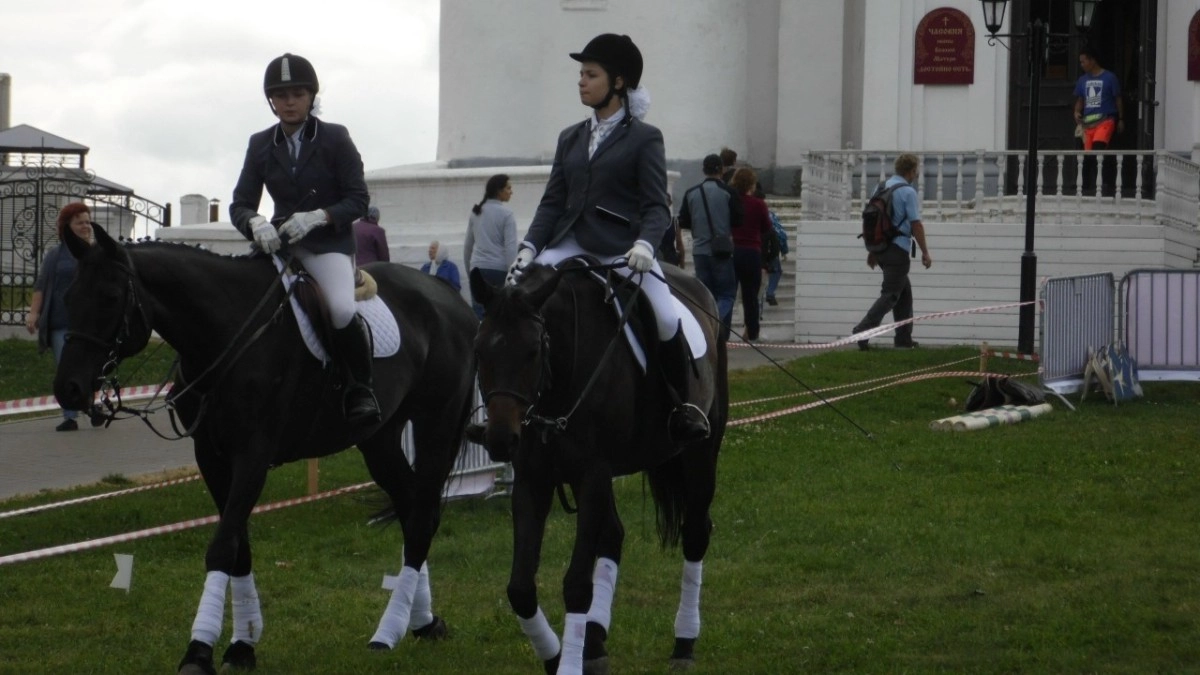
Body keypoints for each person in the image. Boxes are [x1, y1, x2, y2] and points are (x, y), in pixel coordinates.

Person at [505, 32, 710, 442]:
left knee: (667, 317)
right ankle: (501, 408)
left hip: (622, 248)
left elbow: (656, 206)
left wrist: (646, 245)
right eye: (580, 73)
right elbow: (552, 203)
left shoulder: (645, 138)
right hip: (569, 241)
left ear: (617, 82)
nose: (581, 81)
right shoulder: (570, 137)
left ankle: (681, 406)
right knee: (513, 303)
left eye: (590, 74)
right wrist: (529, 247)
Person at [229, 53, 377, 426]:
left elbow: (358, 199)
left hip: (327, 244)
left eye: (296, 94)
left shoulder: (335, 137)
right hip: (279, 243)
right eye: (280, 95)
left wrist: (319, 217)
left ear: (311, 97)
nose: (289, 102)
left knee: (342, 309)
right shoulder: (260, 143)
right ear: (271, 101)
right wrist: (254, 223)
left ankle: (361, 388)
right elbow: (240, 203)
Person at [26, 203, 98, 431]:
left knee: (92, 367)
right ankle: (70, 416)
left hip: (89, 324)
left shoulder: (97, 253)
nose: (85, 226)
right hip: (61, 323)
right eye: (80, 222)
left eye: (87, 222)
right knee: (65, 369)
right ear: (67, 227)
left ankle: (93, 407)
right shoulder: (55, 255)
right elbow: (41, 286)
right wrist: (34, 313)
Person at [852, 153, 932, 350]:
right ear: (911, 171)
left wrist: (872, 250)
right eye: (916, 170)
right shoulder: (908, 192)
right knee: (890, 295)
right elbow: (916, 225)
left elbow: (872, 221)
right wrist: (925, 252)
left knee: (904, 294)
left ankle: (904, 339)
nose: (917, 174)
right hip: (897, 249)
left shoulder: (880, 187)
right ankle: (862, 331)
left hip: (881, 249)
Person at [678, 153, 741, 341]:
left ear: (703, 170)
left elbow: (684, 220)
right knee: (727, 295)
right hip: (721, 250)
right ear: (721, 170)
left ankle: (704, 328)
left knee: (705, 294)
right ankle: (715, 325)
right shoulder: (728, 192)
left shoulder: (691, 193)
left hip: (699, 250)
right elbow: (738, 219)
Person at [464, 174, 517, 318]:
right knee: (500, 316)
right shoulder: (507, 214)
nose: (511, 192)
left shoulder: (476, 213)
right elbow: (511, 249)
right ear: (499, 191)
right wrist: (512, 277)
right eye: (508, 188)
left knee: (480, 317)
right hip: (499, 271)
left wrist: (470, 272)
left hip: (478, 269)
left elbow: (468, 247)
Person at [729, 168, 773, 342]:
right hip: (752, 252)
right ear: (751, 184)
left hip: (733, 250)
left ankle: (722, 328)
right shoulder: (758, 204)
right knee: (750, 296)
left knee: (728, 293)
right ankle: (752, 332)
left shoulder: (730, 202)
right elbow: (767, 228)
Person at [1073, 48, 1124, 196]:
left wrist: (1121, 118)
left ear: (1092, 60)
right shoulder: (1082, 80)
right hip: (1088, 123)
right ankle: (1085, 186)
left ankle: (1105, 184)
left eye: (1084, 61)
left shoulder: (1110, 78)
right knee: (1087, 155)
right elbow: (1080, 100)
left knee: (1099, 149)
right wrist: (1077, 112)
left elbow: (1118, 99)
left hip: (1106, 120)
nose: (1082, 64)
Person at [761, 205, 788, 308]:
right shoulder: (771, 216)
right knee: (776, 271)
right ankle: (770, 292)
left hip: (755, 249)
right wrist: (784, 251)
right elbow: (781, 234)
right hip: (771, 250)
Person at [657, 193, 685, 268]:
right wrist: (682, 266)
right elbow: (679, 244)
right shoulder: (675, 221)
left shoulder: (652, 221)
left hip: (656, 258)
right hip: (671, 258)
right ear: (670, 203)